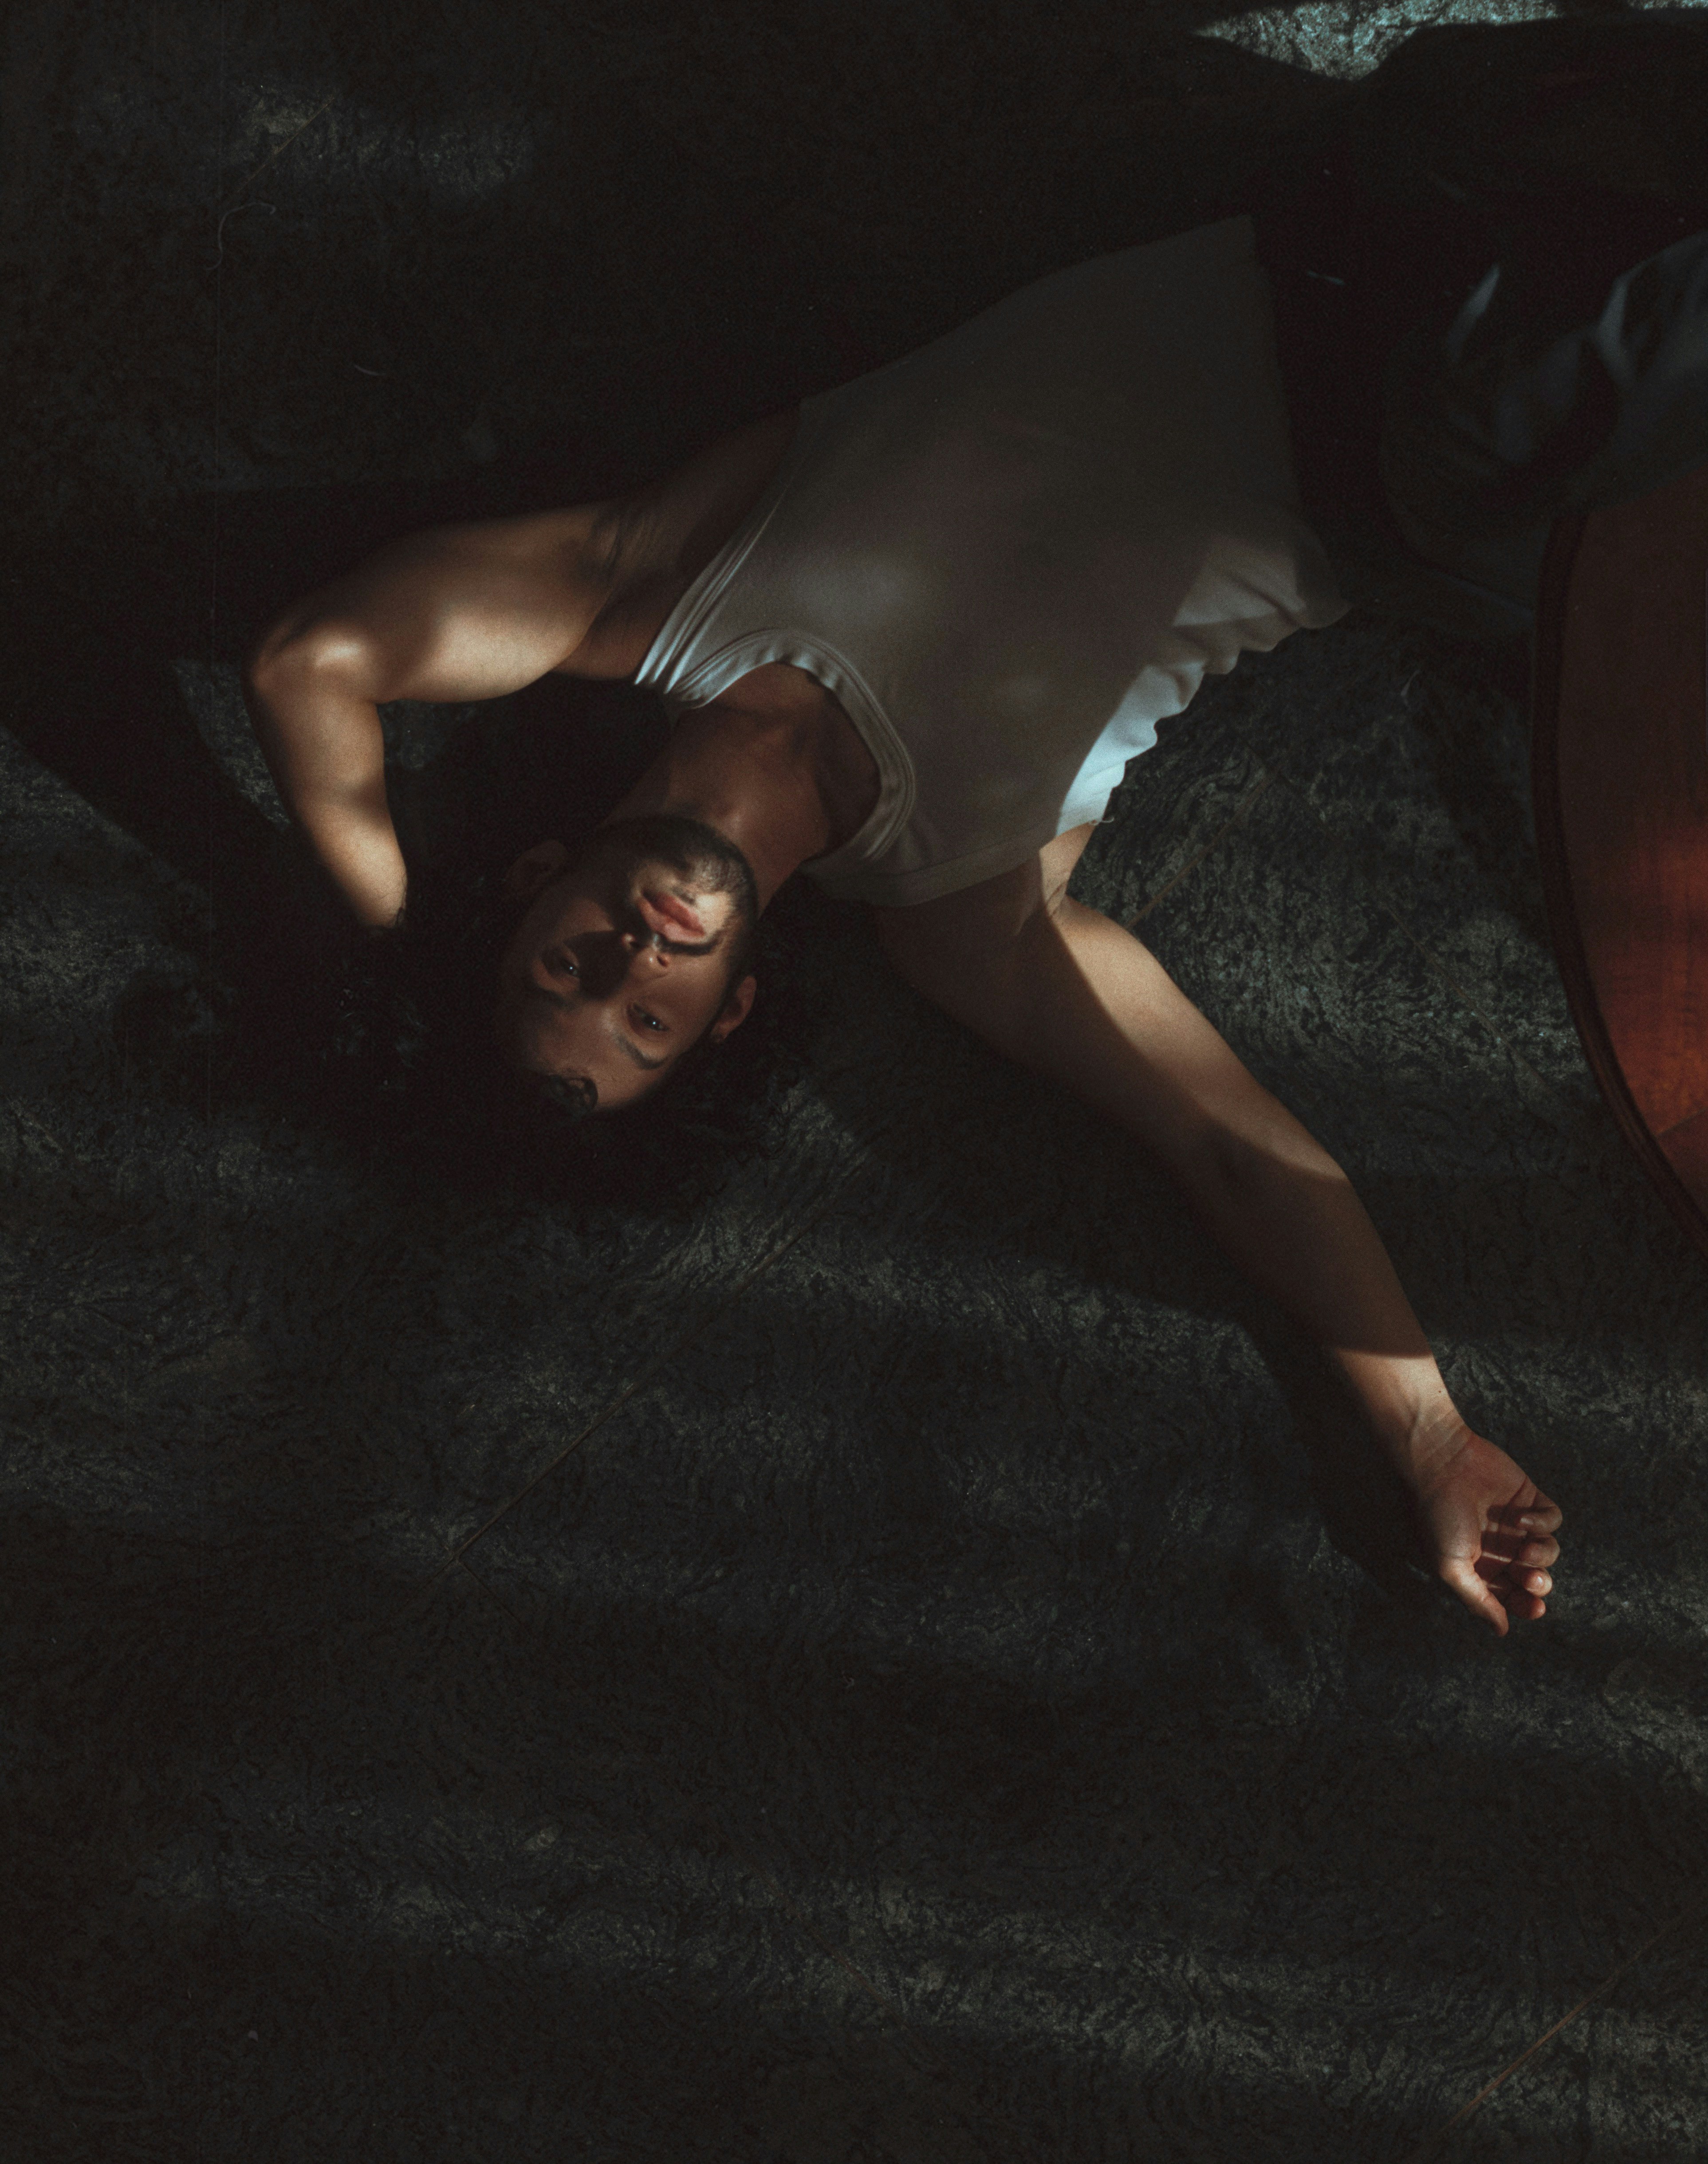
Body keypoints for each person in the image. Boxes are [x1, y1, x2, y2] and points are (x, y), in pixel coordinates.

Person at [248, 209, 1614, 1640]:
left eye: (567, 965)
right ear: (734, 1015)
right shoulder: (965, 906)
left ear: (532, 876)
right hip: (1427, 473)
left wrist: (402, 942)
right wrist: (1432, 1446)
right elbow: (1227, 1145)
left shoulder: (640, 584)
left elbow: (311, 660)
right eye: (647, 1020)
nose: (637, 957)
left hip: (1334, 246)